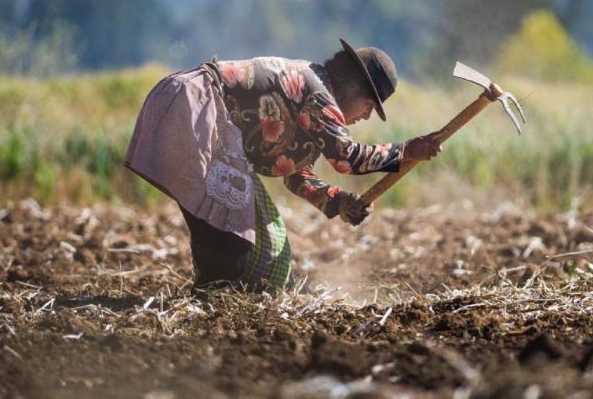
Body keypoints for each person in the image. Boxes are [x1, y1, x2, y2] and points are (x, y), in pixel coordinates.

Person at [124, 39, 441, 291]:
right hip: (195, 110)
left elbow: (295, 174)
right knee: (229, 235)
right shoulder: (317, 93)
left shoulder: (312, 98)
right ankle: (210, 306)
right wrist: (407, 150)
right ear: (354, 88)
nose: (367, 115)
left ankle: (219, 300)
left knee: (256, 243)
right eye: (370, 106)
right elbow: (348, 159)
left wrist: (338, 201)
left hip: (194, 112)